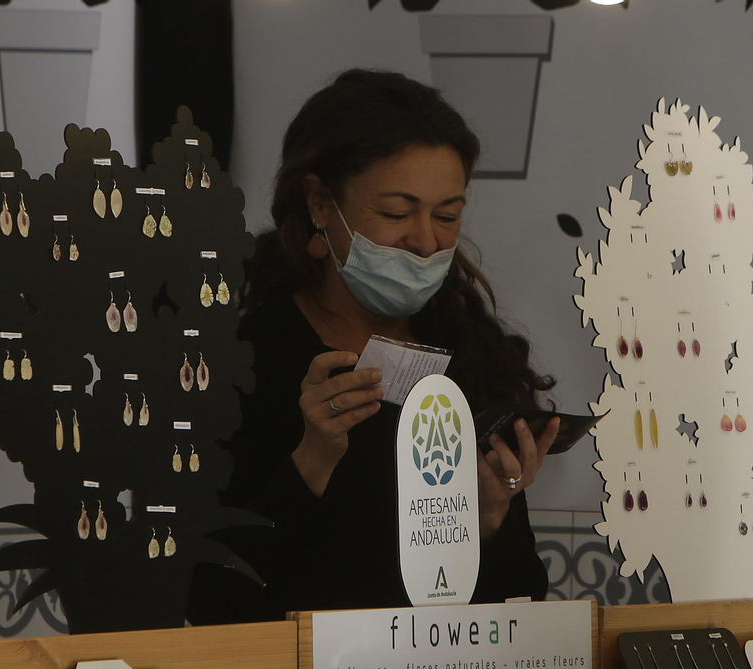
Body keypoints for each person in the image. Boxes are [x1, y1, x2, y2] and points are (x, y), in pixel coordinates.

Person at [196, 70, 561, 620]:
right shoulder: (243, 361)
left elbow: (522, 602)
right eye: (395, 213)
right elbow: (211, 597)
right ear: (320, 204)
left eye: (447, 215)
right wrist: (312, 458)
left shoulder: (467, 359)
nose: (425, 240)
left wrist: (490, 515)